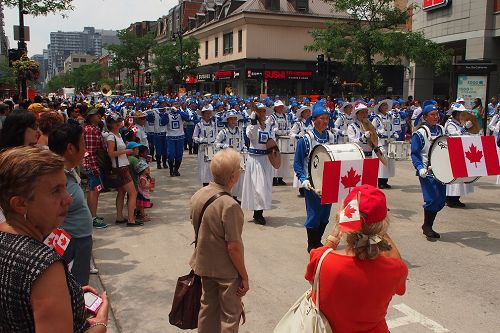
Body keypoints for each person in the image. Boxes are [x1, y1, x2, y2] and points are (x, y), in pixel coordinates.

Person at [0, 146, 109, 332]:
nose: (67, 199)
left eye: (65, 187)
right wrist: (100, 324)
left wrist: (68, 295)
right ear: (20, 204)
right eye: (55, 191)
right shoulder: (45, 266)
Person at [305, 184, 407, 333]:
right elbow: (399, 282)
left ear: (343, 218)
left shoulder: (322, 259)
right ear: (383, 224)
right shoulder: (396, 269)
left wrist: (334, 236)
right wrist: (378, 229)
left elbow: (312, 278)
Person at [189, 148, 249, 333]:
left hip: (204, 264)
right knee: (230, 316)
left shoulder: (199, 194)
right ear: (233, 177)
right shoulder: (230, 205)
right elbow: (234, 247)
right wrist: (244, 276)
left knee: (208, 309)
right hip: (225, 271)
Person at [48, 123, 95, 286]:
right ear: (70, 148)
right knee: (75, 287)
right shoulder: (55, 176)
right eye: (82, 143)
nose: (85, 148)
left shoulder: (69, 170)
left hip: (78, 239)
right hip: (70, 242)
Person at [294, 100, 335, 252]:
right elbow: (298, 163)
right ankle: (312, 245)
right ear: (314, 120)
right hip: (312, 183)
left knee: (325, 214)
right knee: (314, 214)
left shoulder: (331, 137)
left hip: (329, 181)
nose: (325, 121)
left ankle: (318, 242)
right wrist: (303, 179)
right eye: (322, 118)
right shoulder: (306, 139)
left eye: (327, 118)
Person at [411, 103, 445, 240]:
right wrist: (420, 168)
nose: (436, 117)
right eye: (432, 115)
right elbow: (414, 153)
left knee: (441, 200)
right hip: (427, 170)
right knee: (432, 198)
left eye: (437, 114)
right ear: (425, 117)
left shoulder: (442, 129)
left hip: (442, 170)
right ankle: (427, 226)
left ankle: (428, 225)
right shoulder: (420, 133)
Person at [241, 103, 276, 225]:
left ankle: (259, 211)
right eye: (260, 112)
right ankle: (258, 213)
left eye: (263, 112)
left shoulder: (268, 127)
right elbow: (252, 136)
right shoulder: (251, 127)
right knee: (258, 187)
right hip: (255, 160)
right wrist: (254, 122)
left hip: (266, 159)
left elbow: (272, 142)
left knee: (264, 186)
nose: (262, 114)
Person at [105, 113, 142, 227]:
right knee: (133, 193)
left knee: (121, 192)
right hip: (120, 168)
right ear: (112, 124)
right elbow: (110, 153)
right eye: (117, 121)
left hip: (122, 166)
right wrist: (127, 152)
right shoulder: (111, 137)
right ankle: (131, 219)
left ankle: (120, 217)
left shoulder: (118, 135)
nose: (119, 123)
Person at [444, 104, 474, 208]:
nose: (462, 115)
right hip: (453, 153)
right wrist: (465, 127)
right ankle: (450, 199)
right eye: (461, 113)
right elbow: (454, 135)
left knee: (460, 177)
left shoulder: (459, 124)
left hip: (461, 152)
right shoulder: (450, 124)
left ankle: (456, 198)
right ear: (455, 114)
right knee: (454, 177)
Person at [82, 108, 108, 229]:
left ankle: (91, 216)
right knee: (94, 190)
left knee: (94, 189)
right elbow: (91, 151)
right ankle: (92, 217)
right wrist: (94, 166)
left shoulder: (92, 128)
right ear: (91, 116)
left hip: (92, 164)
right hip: (93, 165)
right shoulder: (91, 130)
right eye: (97, 115)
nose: (99, 116)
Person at [215, 111, 246, 201]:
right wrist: (225, 146)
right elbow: (216, 143)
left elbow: (242, 143)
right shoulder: (223, 132)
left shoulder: (239, 131)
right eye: (231, 119)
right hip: (228, 157)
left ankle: (236, 197)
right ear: (227, 120)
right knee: (229, 177)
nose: (234, 121)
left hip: (238, 156)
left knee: (239, 177)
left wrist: (244, 150)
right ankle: (228, 196)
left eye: (235, 119)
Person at [372, 99, 397, 189]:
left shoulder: (389, 117)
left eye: (386, 105)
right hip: (381, 142)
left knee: (389, 161)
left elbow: (392, 127)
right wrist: (380, 132)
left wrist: (394, 133)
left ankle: (385, 180)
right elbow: (372, 129)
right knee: (382, 161)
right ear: (380, 107)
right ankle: (380, 181)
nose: (386, 107)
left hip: (389, 141)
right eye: (384, 105)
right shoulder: (377, 118)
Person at [267, 100, 291, 186]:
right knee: (275, 158)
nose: (281, 108)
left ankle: (280, 177)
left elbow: (289, 126)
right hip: (275, 140)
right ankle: (274, 178)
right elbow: (270, 128)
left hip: (284, 139)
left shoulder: (285, 116)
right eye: (279, 107)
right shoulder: (271, 117)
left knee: (284, 159)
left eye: (282, 106)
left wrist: (287, 132)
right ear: (275, 108)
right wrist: (277, 132)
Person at [193, 105, 217, 186]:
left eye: (209, 113)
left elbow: (216, 135)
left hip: (212, 148)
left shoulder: (214, 124)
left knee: (212, 167)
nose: (208, 115)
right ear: (202, 114)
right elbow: (194, 137)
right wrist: (200, 140)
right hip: (203, 148)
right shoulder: (199, 125)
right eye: (206, 113)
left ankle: (213, 184)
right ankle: (205, 185)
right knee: (204, 167)